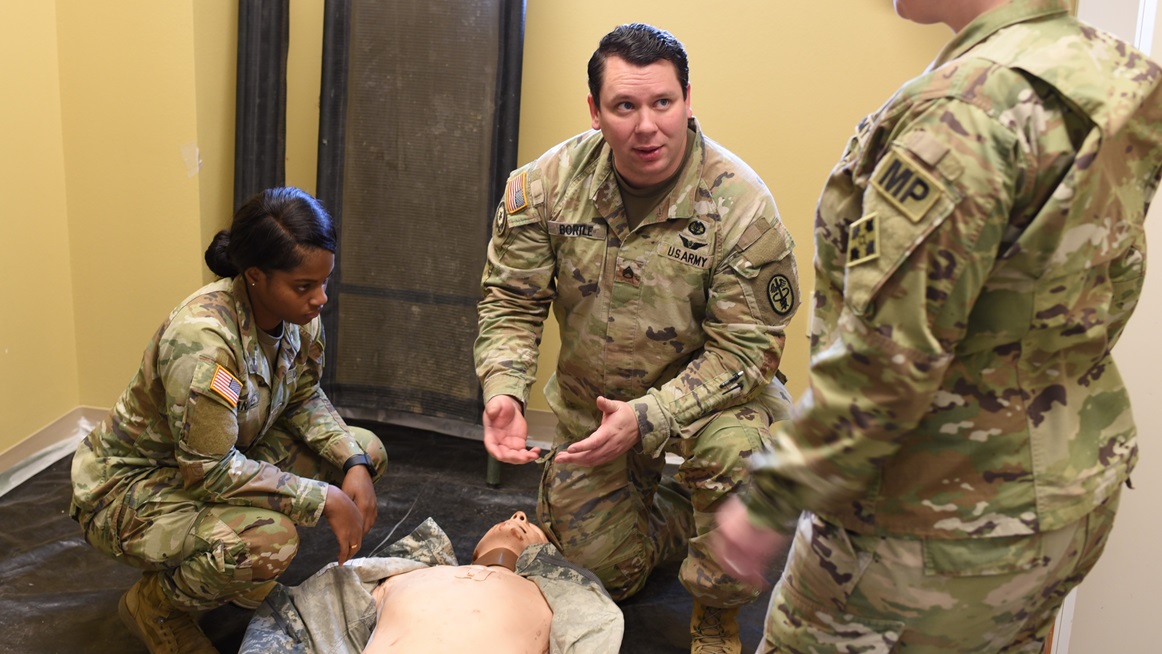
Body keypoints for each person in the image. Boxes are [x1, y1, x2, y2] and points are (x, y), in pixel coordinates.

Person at [712, 1, 1162, 652]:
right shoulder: (1112, 72)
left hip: (933, 525)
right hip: (1066, 496)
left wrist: (769, 499)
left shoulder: (964, 111)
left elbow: (889, 360)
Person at [474, 22, 799, 654]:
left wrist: (649, 417)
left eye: (662, 103)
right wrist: (505, 391)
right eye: (625, 106)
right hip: (594, 416)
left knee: (734, 457)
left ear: (687, 100)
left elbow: (746, 351)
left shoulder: (741, 206)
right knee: (602, 580)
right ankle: (676, 506)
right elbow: (511, 300)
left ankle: (716, 611)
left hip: (709, 407)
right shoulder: (541, 187)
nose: (646, 125)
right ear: (595, 111)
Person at [69, 187, 388, 654]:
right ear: (255, 276)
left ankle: (229, 575)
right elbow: (210, 470)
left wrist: (354, 461)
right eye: (304, 286)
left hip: (221, 458)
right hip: (131, 488)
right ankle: (157, 605)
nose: (320, 299)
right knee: (265, 540)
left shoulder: (299, 316)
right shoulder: (204, 341)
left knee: (365, 450)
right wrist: (324, 499)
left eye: (325, 281)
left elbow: (301, 396)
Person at [238, 512, 624, 654]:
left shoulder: (553, 599)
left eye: (532, 527)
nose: (519, 516)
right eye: (512, 517)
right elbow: (319, 615)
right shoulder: (407, 575)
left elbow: (593, 628)